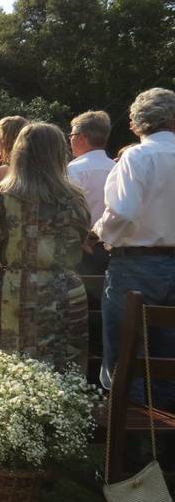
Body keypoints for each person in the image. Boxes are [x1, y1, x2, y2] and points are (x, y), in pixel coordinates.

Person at [0, 123, 90, 372]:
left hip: (10, 294)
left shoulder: (1, 195)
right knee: (60, 375)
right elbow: (82, 237)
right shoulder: (75, 198)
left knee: (2, 376)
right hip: (64, 292)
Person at [91, 88, 175, 406]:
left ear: (137, 123)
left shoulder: (137, 157)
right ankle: (164, 447)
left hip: (136, 265)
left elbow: (122, 212)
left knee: (125, 357)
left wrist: (99, 233)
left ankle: (132, 446)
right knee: (168, 362)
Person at [67, 110, 115, 275]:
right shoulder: (117, 167)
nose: (70, 139)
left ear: (82, 137)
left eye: (71, 134)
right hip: (115, 250)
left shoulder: (73, 170)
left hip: (81, 248)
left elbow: (68, 212)